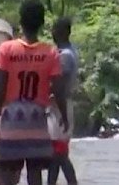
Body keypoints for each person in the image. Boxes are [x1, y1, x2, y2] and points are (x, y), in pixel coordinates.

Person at [0, 0, 67, 185]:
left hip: (11, 123)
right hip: (37, 122)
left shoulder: (6, 49)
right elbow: (58, 90)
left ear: (21, 20)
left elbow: (0, 88)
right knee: (35, 176)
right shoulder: (50, 52)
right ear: (41, 23)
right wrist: (64, 116)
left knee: (7, 175)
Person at [47, 17, 79, 185]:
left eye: (55, 30)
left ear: (64, 33)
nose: (52, 33)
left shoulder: (65, 56)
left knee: (59, 153)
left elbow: (59, 86)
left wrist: (63, 115)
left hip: (61, 107)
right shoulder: (68, 51)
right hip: (60, 106)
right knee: (56, 152)